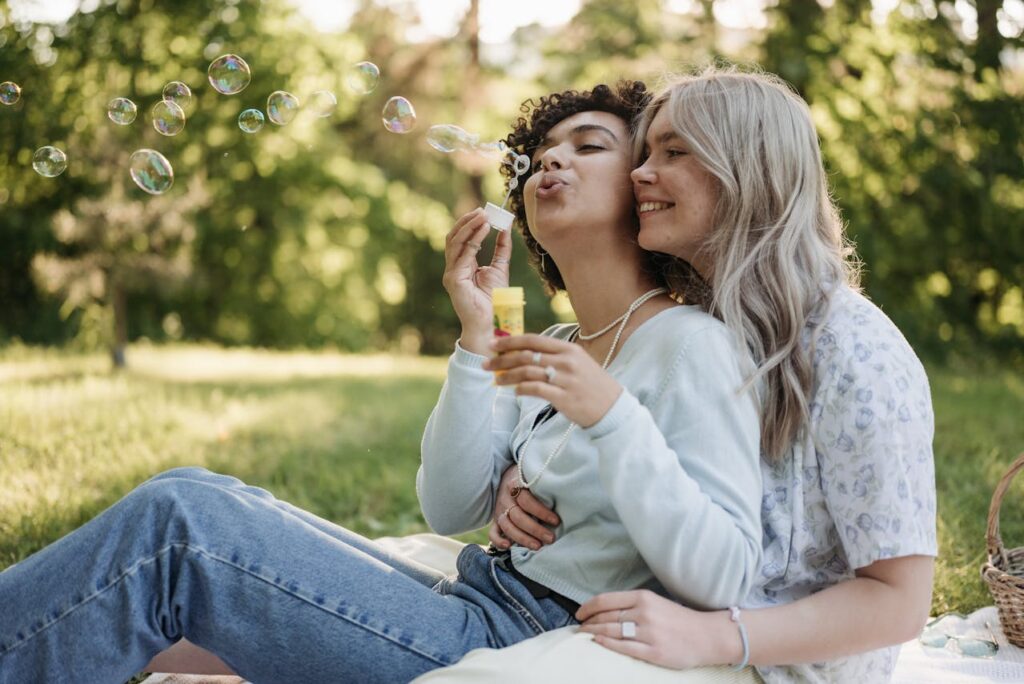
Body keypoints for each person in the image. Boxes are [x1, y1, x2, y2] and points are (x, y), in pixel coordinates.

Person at [0, 81, 764, 684]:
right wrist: (475, 337)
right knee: (197, 486)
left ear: (644, 189)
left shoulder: (688, 346)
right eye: (542, 151)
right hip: (471, 593)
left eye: (589, 146)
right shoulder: (558, 343)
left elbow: (722, 571)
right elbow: (451, 502)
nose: (549, 161)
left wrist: (611, 417)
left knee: (183, 521)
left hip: (519, 637)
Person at [485, 66, 937, 684]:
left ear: (749, 169)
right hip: (666, 622)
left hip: (772, 668)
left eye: (674, 153)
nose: (640, 173)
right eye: (645, 153)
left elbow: (900, 600)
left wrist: (715, 636)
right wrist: (527, 470)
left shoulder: (854, 348)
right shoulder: (707, 321)